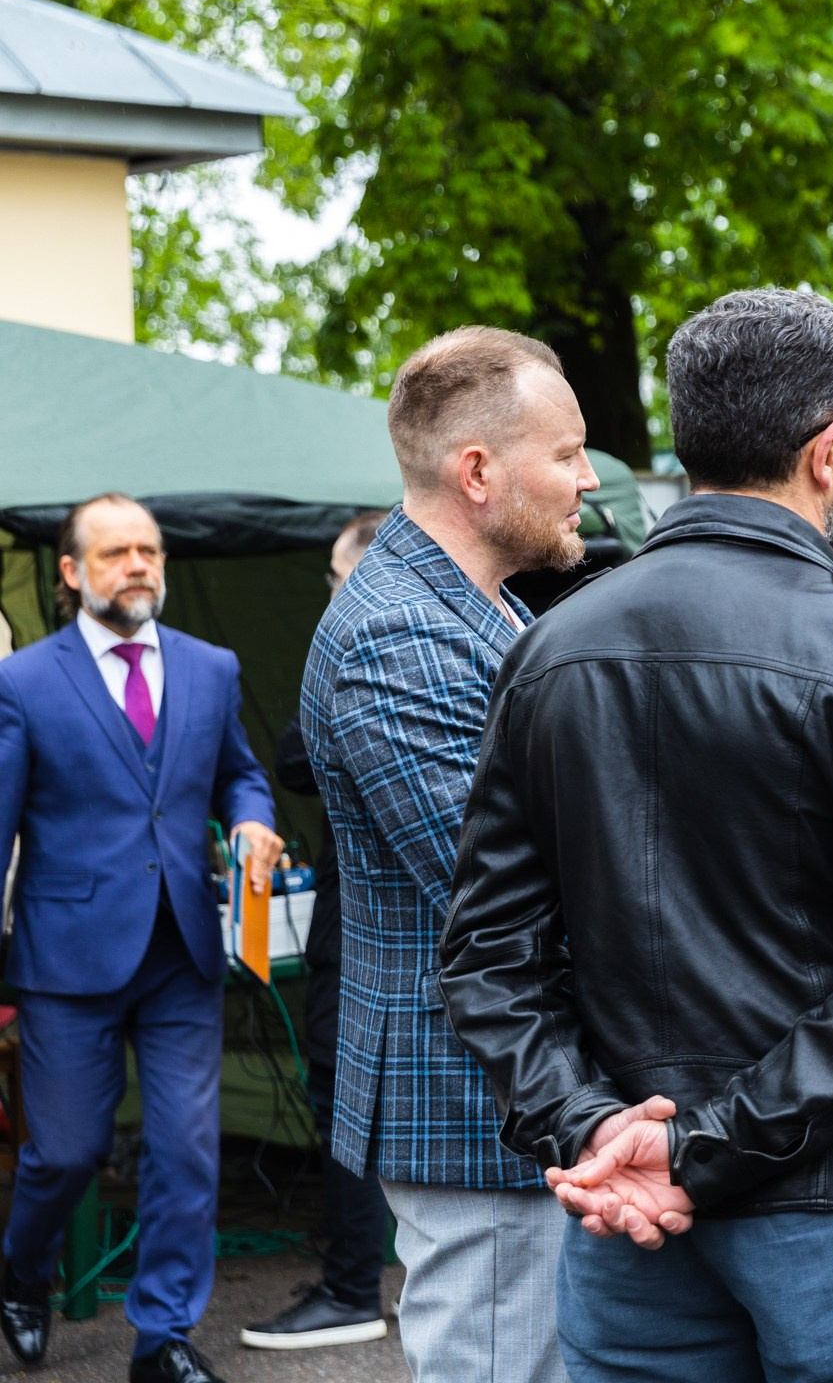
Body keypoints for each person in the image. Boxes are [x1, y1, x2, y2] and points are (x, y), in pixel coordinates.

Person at [441, 289, 833, 1383]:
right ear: (830, 451)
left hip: (635, 1207)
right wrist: (687, 1149)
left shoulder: (552, 648)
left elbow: (486, 956)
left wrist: (598, 1128)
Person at [300, 328, 598, 1383]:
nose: (587, 478)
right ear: (477, 471)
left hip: (512, 1097)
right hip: (474, 1105)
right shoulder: (397, 635)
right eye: (566, 453)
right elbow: (497, 890)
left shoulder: (480, 604)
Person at [0, 493, 284, 1383]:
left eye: (151, 551)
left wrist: (250, 821)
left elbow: (241, 774)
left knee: (187, 1150)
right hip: (65, 956)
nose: (140, 565)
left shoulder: (212, 667)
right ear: (72, 574)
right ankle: (19, 1277)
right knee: (67, 1151)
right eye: (117, 552)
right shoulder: (26, 682)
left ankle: (161, 1339)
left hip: (183, 954)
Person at [244, 509, 394, 1350]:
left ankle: (349, 1290)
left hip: (369, 935)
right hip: (372, 929)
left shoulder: (365, 648)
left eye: (336, 578)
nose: (329, 595)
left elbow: (296, 756)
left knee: (346, 1099)